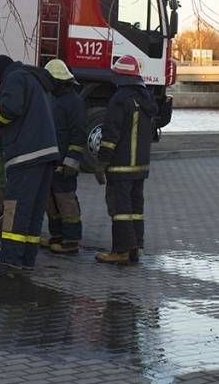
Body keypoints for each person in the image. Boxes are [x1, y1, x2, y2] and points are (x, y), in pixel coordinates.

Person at [0, 54, 59, 276]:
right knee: (34, 210)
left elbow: (11, 108)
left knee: (15, 210)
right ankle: (26, 260)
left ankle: (9, 262)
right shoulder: (33, 79)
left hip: (26, 155)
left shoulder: (14, 78)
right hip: (46, 154)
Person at [94, 55, 156, 264]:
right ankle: (134, 248)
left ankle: (120, 251)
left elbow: (111, 133)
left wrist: (102, 162)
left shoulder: (120, 98)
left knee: (120, 209)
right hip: (140, 167)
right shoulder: (146, 98)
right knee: (135, 209)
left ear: (120, 76)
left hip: (120, 165)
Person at [42, 59, 88, 254]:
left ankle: (71, 240)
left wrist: (70, 161)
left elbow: (79, 135)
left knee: (66, 201)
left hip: (64, 163)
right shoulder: (54, 99)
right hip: (52, 161)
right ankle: (57, 236)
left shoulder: (74, 102)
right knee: (51, 201)